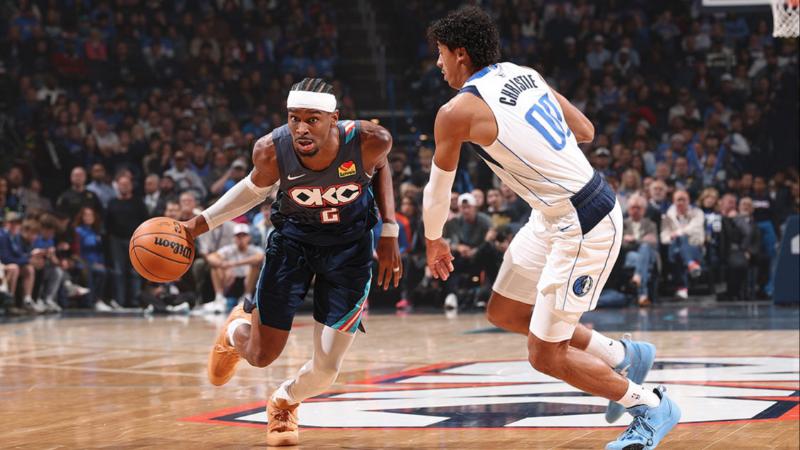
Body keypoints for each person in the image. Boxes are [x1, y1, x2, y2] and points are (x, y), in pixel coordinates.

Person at [421, 8, 679, 450]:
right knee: (505, 311)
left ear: (460, 54)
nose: (438, 62)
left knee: (545, 354)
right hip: (550, 214)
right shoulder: (525, 74)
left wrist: (433, 240)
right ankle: (623, 355)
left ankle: (651, 406)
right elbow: (586, 130)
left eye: (441, 53)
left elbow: (438, 187)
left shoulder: (455, 112)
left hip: (583, 220)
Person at [182, 78, 401, 447]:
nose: (301, 128)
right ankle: (235, 332)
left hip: (349, 251)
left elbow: (379, 167)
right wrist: (196, 225)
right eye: (294, 118)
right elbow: (250, 191)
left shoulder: (369, 139)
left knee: (327, 370)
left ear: (334, 119)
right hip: (292, 246)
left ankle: (284, 402)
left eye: (312, 119)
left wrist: (390, 229)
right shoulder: (271, 150)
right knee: (261, 355)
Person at [105, 174, 149, 307]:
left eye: (126, 184)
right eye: (121, 184)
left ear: (131, 186)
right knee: (118, 272)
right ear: (117, 186)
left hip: (135, 240)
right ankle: (120, 302)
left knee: (134, 272)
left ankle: (135, 302)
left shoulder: (138, 202)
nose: (124, 186)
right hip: (116, 240)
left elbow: (145, 221)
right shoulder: (112, 202)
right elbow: (107, 223)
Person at [205, 223, 264, 312]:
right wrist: (223, 265)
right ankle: (219, 298)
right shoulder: (229, 249)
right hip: (231, 282)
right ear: (234, 238)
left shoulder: (254, 249)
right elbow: (211, 257)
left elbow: (259, 258)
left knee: (255, 266)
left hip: (247, 282)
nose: (241, 238)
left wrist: (233, 264)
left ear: (249, 237)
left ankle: (247, 297)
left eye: (244, 235)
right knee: (215, 267)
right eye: (238, 236)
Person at [660, 189, 705, 299]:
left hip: (695, 247)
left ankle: (682, 289)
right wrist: (672, 236)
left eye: (683, 200)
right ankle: (691, 264)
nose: (681, 202)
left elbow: (694, 229)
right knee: (677, 245)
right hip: (673, 247)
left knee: (679, 249)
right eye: (678, 200)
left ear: (688, 201)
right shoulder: (668, 216)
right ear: (673, 201)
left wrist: (677, 233)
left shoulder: (697, 213)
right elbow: (664, 237)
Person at [622, 194, 659, 306]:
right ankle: (643, 295)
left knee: (645, 248)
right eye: (633, 207)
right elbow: (622, 245)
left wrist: (634, 240)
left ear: (644, 210)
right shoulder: (623, 224)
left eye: (639, 208)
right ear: (628, 209)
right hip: (631, 256)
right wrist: (643, 240)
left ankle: (638, 276)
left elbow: (653, 242)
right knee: (642, 257)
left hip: (650, 255)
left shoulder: (650, 224)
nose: (636, 210)